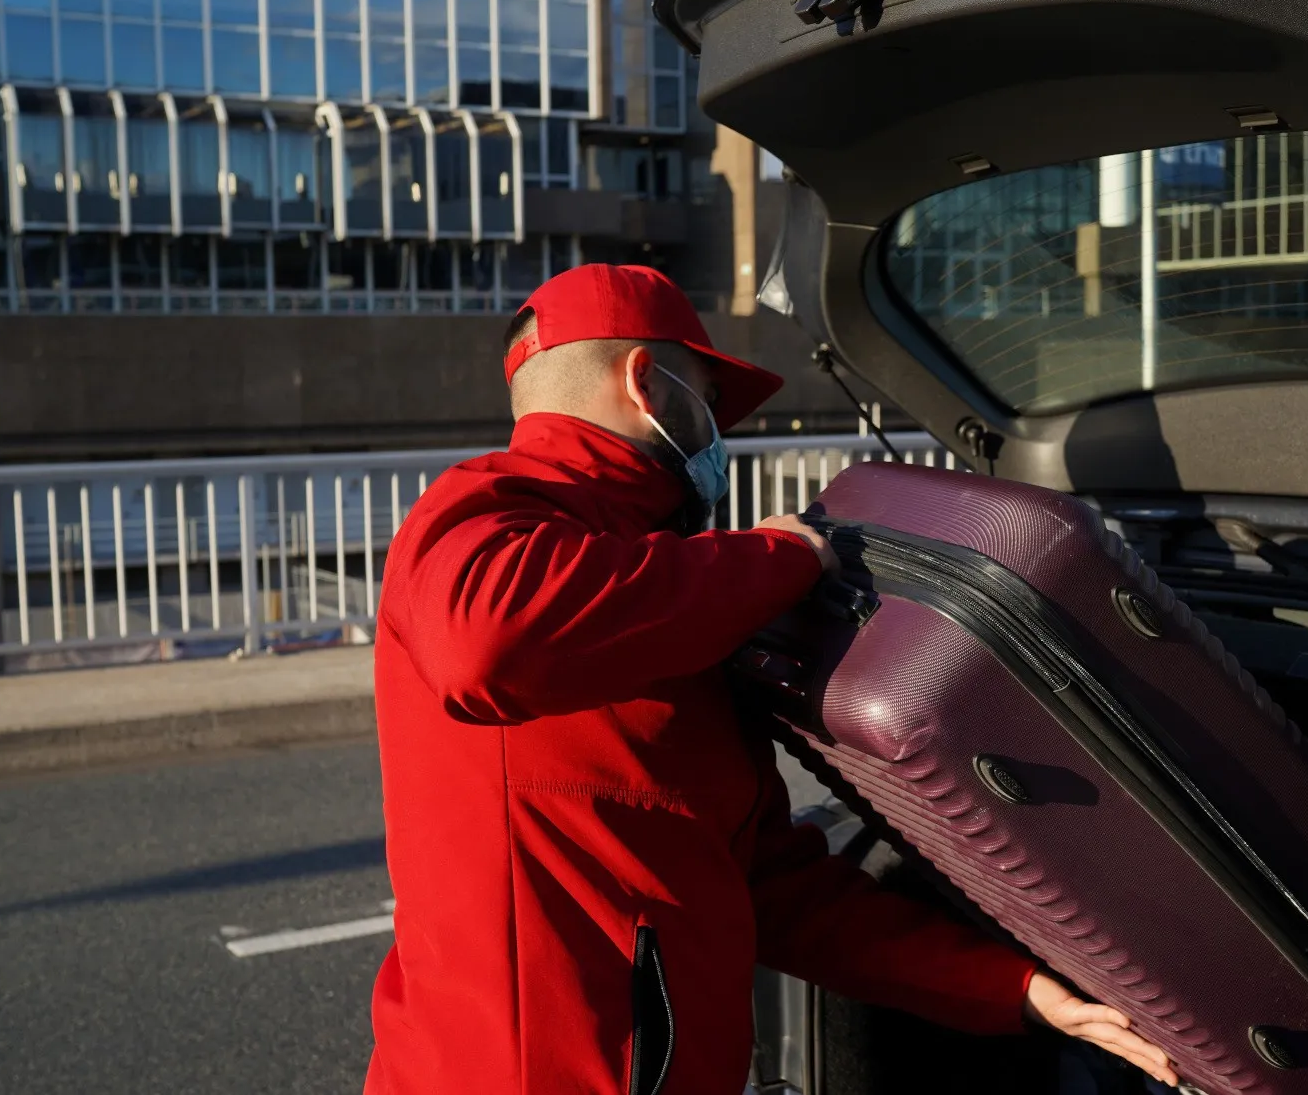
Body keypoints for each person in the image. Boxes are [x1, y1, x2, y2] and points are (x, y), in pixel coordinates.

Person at [365, 264, 1175, 1094]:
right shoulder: (489, 507)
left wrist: (1019, 991)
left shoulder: (659, 600)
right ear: (649, 382)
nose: (716, 433)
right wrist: (779, 555)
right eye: (709, 401)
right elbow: (487, 645)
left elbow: (772, 889)